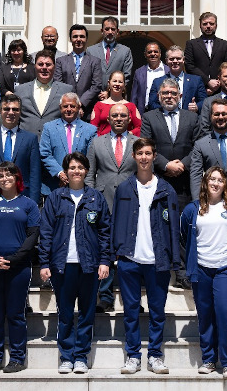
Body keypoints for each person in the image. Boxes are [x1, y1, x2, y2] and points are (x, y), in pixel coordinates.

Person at [38, 152, 112, 374]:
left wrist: (105, 260)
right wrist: (44, 263)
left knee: (87, 313)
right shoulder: (55, 198)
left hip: (89, 264)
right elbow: (46, 232)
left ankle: (81, 356)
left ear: (86, 171)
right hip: (62, 265)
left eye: (80, 167)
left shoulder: (96, 198)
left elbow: (105, 232)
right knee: (66, 314)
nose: (76, 171)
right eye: (72, 167)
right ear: (66, 172)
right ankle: (66, 356)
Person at [112, 138, 180, 375]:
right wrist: (115, 253)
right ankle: (133, 356)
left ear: (154, 156)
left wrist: (174, 258)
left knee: (157, 311)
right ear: (133, 156)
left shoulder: (166, 189)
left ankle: (155, 355)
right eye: (139, 153)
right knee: (131, 311)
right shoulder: (124, 188)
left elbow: (173, 227)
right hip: (129, 259)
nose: (143, 157)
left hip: (157, 260)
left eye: (148, 153)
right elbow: (115, 221)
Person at [180, 166, 227, 379]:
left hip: (225, 268)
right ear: (205, 182)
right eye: (212, 179)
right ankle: (209, 359)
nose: (216, 183)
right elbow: (185, 236)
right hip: (202, 269)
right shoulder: (192, 210)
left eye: (220, 180)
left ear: (225, 184)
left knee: (225, 314)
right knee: (205, 315)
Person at [0, 162, 41, 373]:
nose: (5, 179)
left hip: (19, 268)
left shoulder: (29, 204)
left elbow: (33, 235)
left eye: (9, 174)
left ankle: (17, 359)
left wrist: (14, 259)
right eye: (1, 176)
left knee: (16, 315)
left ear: (17, 177)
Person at [141, 78, 203, 291]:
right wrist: (166, 165)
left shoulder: (192, 117)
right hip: (159, 181)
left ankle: (183, 273)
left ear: (180, 96)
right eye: (165, 93)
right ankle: (159, 270)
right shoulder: (149, 117)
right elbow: (146, 146)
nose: (169, 96)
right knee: (158, 227)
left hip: (185, 183)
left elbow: (198, 146)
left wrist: (182, 165)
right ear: (159, 96)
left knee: (183, 229)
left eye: (173, 93)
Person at [86, 103, 139, 311]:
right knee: (105, 248)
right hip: (102, 200)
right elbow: (90, 173)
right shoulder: (97, 142)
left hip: (130, 202)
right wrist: (91, 199)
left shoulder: (137, 143)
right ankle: (105, 296)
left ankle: (131, 298)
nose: (118, 119)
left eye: (122, 115)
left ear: (129, 119)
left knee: (129, 251)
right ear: (108, 119)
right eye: (114, 115)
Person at [0, 92, 42, 204]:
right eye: (6, 109)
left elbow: (35, 175)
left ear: (20, 112)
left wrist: (33, 203)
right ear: (0, 111)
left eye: (15, 109)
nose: (11, 112)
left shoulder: (31, 139)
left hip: (22, 196)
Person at [39, 92, 97, 199]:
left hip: (80, 185)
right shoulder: (49, 128)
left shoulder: (90, 130)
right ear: (60, 107)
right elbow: (45, 153)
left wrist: (74, 174)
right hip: (54, 185)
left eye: (72, 106)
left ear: (78, 107)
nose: (69, 109)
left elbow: (90, 157)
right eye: (65, 106)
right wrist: (60, 173)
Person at [16, 49, 74, 135]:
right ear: (34, 66)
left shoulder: (66, 90)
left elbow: (73, 121)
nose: (44, 68)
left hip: (55, 140)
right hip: (26, 140)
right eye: (40, 64)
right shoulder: (20, 90)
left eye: (48, 64)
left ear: (54, 67)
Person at [54, 24, 104, 116]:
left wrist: (80, 103)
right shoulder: (61, 61)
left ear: (86, 39)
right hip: (66, 110)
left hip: (87, 110)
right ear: (70, 39)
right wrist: (71, 103)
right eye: (75, 36)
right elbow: (58, 84)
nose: (78, 39)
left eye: (82, 36)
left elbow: (96, 85)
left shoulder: (95, 61)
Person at [185, 12, 227, 96]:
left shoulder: (225, 45)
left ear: (216, 25)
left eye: (211, 24)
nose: (208, 26)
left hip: (220, 90)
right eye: (205, 24)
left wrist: (217, 84)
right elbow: (189, 66)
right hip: (198, 90)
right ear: (200, 26)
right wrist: (207, 81)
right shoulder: (191, 44)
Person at [148, 45, 208, 113]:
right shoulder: (157, 82)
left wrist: (197, 106)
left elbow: (204, 101)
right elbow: (152, 104)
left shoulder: (196, 80)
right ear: (166, 61)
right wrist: (166, 108)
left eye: (178, 58)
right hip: (165, 118)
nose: (175, 61)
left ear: (183, 60)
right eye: (171, 59)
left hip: (189, 117)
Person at [87, 16, 135, 93]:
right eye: (107, 29)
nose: (110, 32)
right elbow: (87, 75)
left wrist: (109, 92)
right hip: (95, 96)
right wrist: (98, 92)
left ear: (117, 31)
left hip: (116, 96)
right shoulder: (91, 51)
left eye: (113, 29)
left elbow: (126, 76)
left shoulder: (125, 51)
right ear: (102, 31)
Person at [90, 70, 142, 136]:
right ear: (109, 83)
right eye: (114, 81)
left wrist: (128, 135)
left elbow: (139, 127)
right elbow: (93, 128)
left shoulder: (131, 106)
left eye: (120, 82)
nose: (117, 84)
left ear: (124, 85)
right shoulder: (99, 105)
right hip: (103, 141)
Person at [129, 41, 165, 112]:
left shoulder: (168, 70)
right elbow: (134, 96)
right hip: (144, 111)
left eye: (155, 51)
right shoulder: (139, 72)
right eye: (149, 52)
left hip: (164, 111)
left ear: (160, 54)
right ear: (145, 55)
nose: (153, 54)